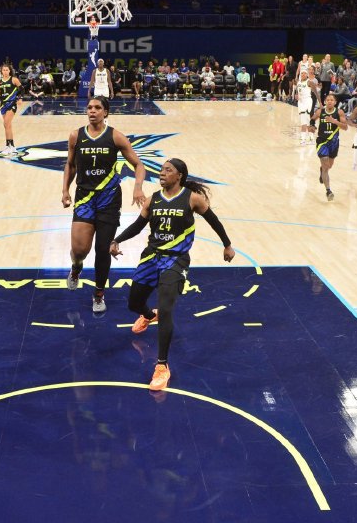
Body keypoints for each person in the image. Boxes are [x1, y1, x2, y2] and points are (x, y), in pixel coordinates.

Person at [109, 158, 235, 391]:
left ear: (180, 176)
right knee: (134, 302)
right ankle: (147, 315)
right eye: (162, 169)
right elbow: (138, 225)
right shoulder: (153, 199)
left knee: (166, 309)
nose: (162, 173)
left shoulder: (192, 198)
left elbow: (213, 220)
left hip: (176, 260)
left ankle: (162, 366)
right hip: (151, 256)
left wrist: (227, 245)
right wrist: (116, 240)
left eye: (168, 170)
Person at [62, 97, 146, 312]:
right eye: (89, 107)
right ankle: (76, 267)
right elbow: (70, 165)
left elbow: (138, 165)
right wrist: (65, 190)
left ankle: (99, 294)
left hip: (109, 199)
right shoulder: (76, 135)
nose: (92, 111)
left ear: (106, 113)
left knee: (102, 249)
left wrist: (138, 187)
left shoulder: (116, 137)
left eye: (97, 108)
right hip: (84, 197)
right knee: (80, 250)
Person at [312, 93, 348, 201]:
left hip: (334, 143)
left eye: (332, 100)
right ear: (325, 101)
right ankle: (328, 191)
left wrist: (334, 121)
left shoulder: (339, 112)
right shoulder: (320, 111)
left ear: (335, 102)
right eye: (327, 100)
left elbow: (345, 127)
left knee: (328, 166)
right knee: (324, 162)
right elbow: (312, 119)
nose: (329, 101)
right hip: (322, 142)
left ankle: (322, 170)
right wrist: (311, 125)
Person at [0, 64, 22, 157]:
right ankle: (11, 147)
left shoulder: (14, 79)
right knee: (7, 126)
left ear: (9, 71)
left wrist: (20, 98)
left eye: (7, 70)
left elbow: (22, 89)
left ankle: (8, 145)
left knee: (6, 123)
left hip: (12, 103)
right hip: (3, 104)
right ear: (1, 71)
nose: (5, 71)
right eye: (3, 70)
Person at [296, 69, 318, 145]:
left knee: (304, 120)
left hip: (308, 101)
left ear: (307, 75)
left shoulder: (309, 82)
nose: (303, 75)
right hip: (301, 102)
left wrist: (320, 103)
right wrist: (296, 96)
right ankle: (311, 138)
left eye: (304, 73)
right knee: (307, 120)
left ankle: (303, 139)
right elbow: (298, 92)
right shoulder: (298, 82)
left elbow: (316, 92)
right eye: (302, 73)